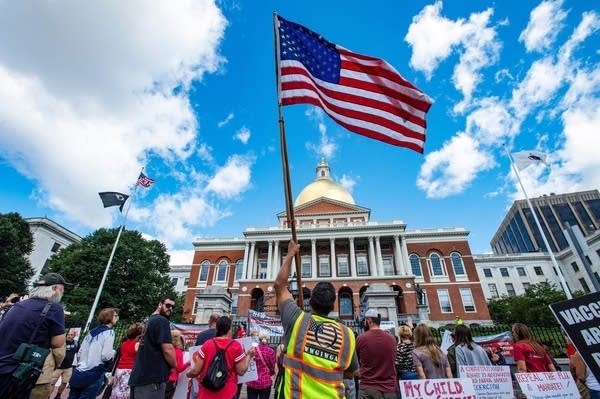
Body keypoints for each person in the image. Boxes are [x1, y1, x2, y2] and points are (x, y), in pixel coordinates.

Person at [274, 240, 358, 399]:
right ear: (333, 307)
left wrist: (290, 254)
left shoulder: (296, 320)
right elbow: (351, 372)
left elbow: (279, 285)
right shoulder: (347, 335)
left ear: (310, 303)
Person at [0, 273, 67, 398]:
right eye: (62, 289)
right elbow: (58, 342)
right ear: (54, 289)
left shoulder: (18, 305)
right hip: (18, 371)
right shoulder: (54, 308)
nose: (62, 293)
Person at [186, 315, 255, 399]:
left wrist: (187, 374)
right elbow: (241, 371)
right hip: (227, 392)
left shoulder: (207, 344)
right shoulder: (235, 346)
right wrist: (249, 356)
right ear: (229, 328)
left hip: (207, 392)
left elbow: (195, 371)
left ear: (217, 328)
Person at [129, 295, 178, 398]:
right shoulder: (161, 321)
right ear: (160, 304)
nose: (170, 309)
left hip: (140, 377)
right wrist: (174, 365)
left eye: (173, 307)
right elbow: (168, 349)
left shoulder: (149, 320)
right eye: (168, 305)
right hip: (152, 379)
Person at [68, 308, 118, 399]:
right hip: (94, 372)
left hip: (80, 371)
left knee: (72, 396)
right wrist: (113, 352)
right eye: (115, 316)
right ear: (109, 317)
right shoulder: (109, 332)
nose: (117, 318)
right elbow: (106, 356)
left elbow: (80, 352)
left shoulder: (91, 331)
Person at [356, 309, 398, 399]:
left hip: (368, 388)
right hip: (389, 389)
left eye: (365, 320)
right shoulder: (392, 339)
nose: (364, 323)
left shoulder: (361, 338)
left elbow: (357, 360)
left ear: (369, 320)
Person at [111, 322, 144, 399]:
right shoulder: (137, 344)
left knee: (116, 391)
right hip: (129, 370)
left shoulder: (124, 343)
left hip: (119, 369)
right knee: (125, 393)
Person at [50, 329, 79, 399]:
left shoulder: (76, 343)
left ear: (74, 336)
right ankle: (48, 396)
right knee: (51, 383)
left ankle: (58, 396)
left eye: (71, 335)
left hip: (68, 367)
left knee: (64, 383)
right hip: (58, 366)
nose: (69, 336)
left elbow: (79, 353)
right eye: (68, 334)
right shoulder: (62, 341)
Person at [246, 332, 276, 399]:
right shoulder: (270, 351)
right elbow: (272, 367)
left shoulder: (252, 349)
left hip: (252, 381)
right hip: (265, 382)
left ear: (258, 339)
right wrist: (270, 373)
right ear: (267, 339)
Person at [165, 330, 190, 399]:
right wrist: (188, 363)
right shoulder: (178, 351)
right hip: (172, 380)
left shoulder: (164, 350)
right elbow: (179, 368)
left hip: (161, 378)